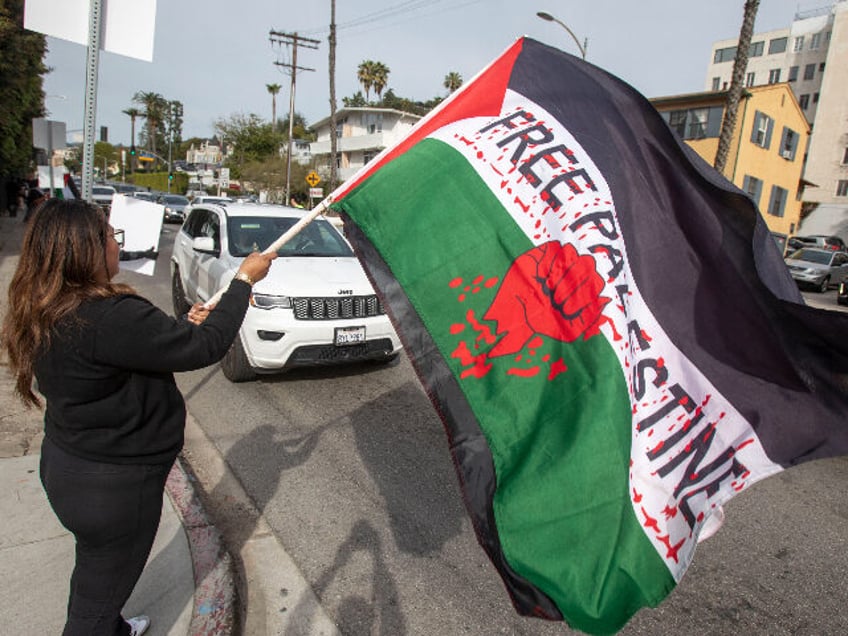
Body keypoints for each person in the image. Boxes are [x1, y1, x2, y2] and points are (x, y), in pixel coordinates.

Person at [0, 198, 275, 636]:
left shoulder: (48, 305)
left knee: (96, 576)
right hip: (115, 487)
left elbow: (127, 349)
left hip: (71, 466)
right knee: (97, 596)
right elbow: (203, 348)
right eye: (111, 235)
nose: (117, 243)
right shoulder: (110, 316)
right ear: (85, 249)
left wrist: (182, 325)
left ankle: (112, 625)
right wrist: (243, 280)